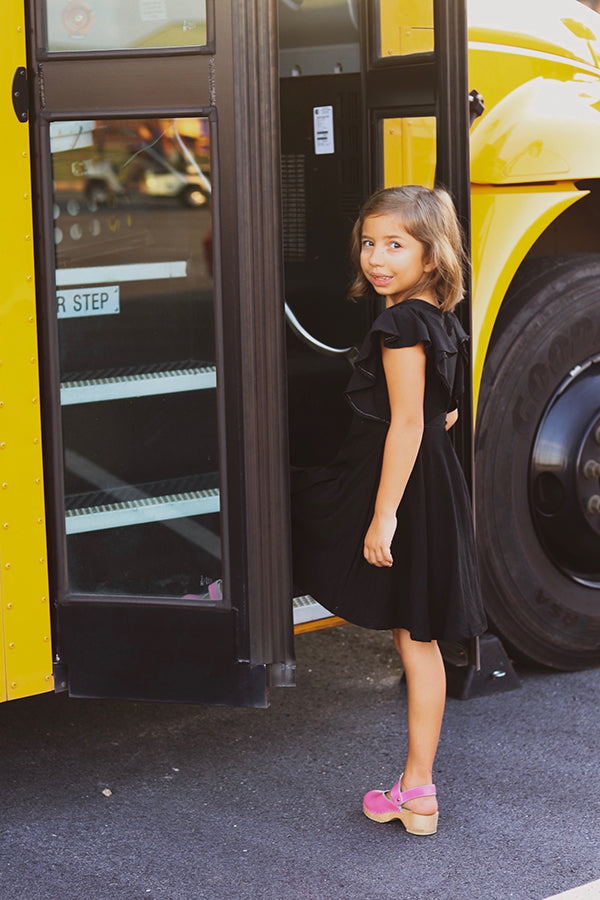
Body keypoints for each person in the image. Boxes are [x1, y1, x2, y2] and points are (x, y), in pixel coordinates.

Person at [291, 185, 487, 836]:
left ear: (431, 256)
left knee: (305, 511)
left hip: (408, 485)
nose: (377, 257)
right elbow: (447, 412)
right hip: (439, 481)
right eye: (370, 243)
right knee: (420, 641)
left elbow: (406, 425)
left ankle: (415, 789)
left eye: (395, 245)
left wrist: (384, 517)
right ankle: (416, 792)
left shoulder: (399, 323)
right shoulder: (440, 317)